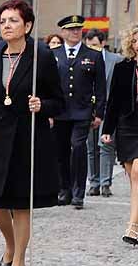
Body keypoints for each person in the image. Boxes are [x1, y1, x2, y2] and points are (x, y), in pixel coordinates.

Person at [0, 0, 63, 266]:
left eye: (13, 21)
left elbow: (59, 102)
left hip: (27, 137)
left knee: (21, 203)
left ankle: (20, 260)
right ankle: (10, 243)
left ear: (27, 26)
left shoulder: (41, 57)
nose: (7, 26)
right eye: (3, 21)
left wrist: (42, 105)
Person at [51, 15, 106, 209]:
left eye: (78, 29)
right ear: (63, 32)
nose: (75, 32)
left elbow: (100, 88)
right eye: (71, 29)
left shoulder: (93, 55)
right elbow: (47, 85)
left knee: (78, 148)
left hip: (82, 112)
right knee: (61, 152)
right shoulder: (53, 54)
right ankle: (63, 190)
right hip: (59, 112)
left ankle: (78, 193)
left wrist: (99, 113)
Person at [101, 26, 138, 243]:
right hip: (127, 127)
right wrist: (107, 130)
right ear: (130, 44)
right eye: (135, 40)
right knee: (134, 180)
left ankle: (132, 227)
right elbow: (113, 101)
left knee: (137, 174)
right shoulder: (123, 67)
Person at [84, 29, 121, 197]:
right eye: (89, 45)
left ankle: (106, 183)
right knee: (90, 148)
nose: (92, 48)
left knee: (105, 145)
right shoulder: (84, 59)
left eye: (95, 45)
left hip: (109, 109)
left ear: (103, 43)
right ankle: (94, 182)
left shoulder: (116, 60)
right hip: (89, 110)